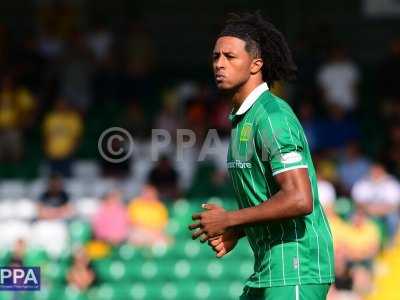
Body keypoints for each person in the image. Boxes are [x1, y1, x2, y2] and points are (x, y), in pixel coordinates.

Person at [189, 12, 334, 299]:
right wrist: (239, 229)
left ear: (256, 64)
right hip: (268, 267)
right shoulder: (243, 119)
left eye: (230, 57)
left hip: (296, 266)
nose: (219, 64)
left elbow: (299, 199)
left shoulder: (272, 116)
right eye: (216, 56)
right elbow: (270, 199)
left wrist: (231, 219)